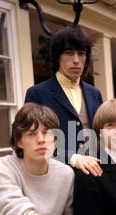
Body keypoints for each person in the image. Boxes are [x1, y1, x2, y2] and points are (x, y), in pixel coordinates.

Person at [25, 25, 103, 177]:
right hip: (56, 177)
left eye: (81, 54)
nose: (76, 60)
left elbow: (103, 136)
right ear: (57, 57)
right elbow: (32, 141)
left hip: (95, 178)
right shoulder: (37, 93)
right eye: (69, 53)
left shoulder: (95, 94)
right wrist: (73, 158)